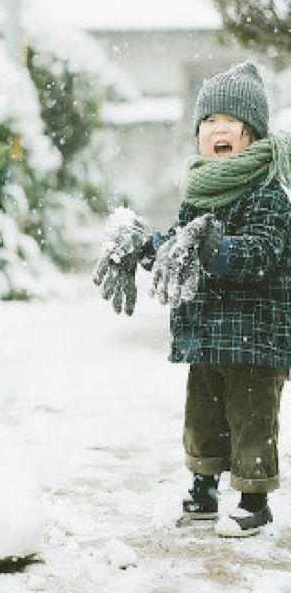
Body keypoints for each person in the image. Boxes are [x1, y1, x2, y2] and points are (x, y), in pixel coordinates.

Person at [94, 62, 291, 537]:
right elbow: (177, 251)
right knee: (203, 416)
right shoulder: (199, 194)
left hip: (255, 335)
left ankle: (254, 500)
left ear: (252, 134)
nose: (218, 129)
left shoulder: (269, 194)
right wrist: (144, 246)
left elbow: (259, 254)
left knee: (251, 419)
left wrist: (214, 246)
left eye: (231, 121)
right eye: (208, 121)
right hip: (206, 332)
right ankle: (203, 487)